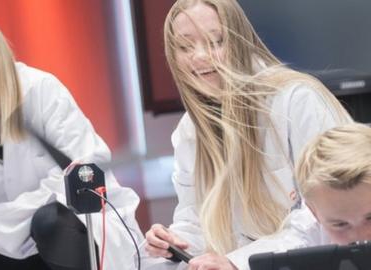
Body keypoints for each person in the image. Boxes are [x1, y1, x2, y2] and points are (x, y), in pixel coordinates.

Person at [143, 0, 351, 269]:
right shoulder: (189, 130)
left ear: (240, 40)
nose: (199, 57)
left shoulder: (297, 100)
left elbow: (327, 218)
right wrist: (174, 242)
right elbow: (196, 220)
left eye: (216, 41)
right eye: (185, 47)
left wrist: (236, 262)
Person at [0, 15, 143, 270]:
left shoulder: (41, 90)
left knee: (48, 221)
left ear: (3, 58)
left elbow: (79, 177)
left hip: (78, 233)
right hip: (16, 247)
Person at [295, 123, 371, 246]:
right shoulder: (300, 238)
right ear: (313, 212)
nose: (361, 237)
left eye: (370, 217)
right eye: (341, 224)